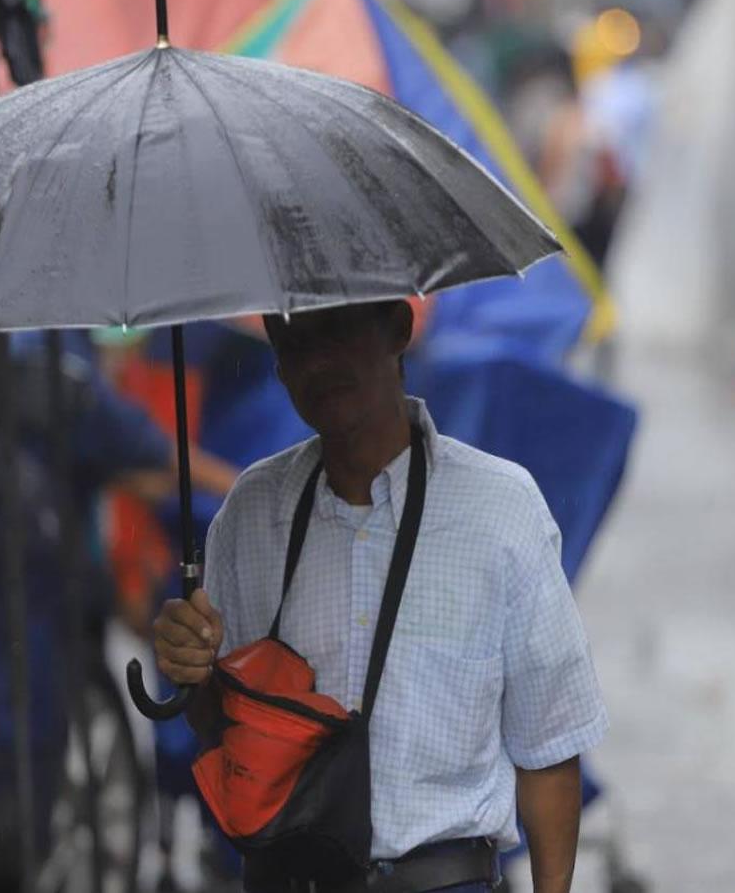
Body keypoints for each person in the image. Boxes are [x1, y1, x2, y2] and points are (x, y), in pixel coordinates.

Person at [153, 301, 607, 893]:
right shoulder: (252, 512)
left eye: (338, 330)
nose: (319, 360)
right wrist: (192, 670)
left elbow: (549, 746)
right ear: (278, 362)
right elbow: (221, 726)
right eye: (295, 341)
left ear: (398, 328)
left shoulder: (500, 509)